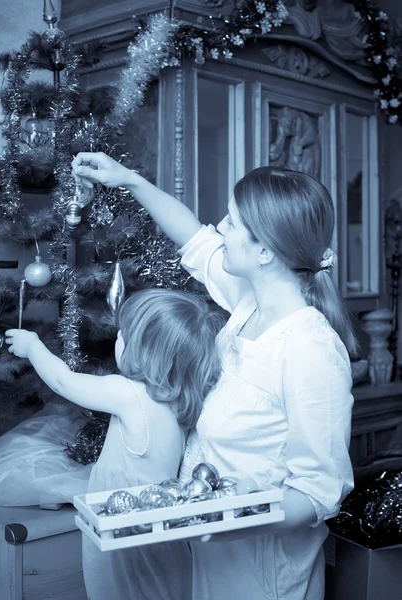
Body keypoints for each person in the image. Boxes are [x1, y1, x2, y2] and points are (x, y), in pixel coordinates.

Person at [71, 151, 356, 600]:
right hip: (209, 559)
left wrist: (236, 517)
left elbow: (318, 490)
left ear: (264, 251)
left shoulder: (309, 351)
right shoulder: (249, 302)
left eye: (233, 222)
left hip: (263, 575)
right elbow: (193, 237)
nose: (220, 227)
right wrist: (127, 178)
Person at [5, 287, 224, 600]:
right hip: (158, 524)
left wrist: (33, 347)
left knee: (117, 590)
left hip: (121, 528)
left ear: (144, 351)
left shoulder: (129, 394)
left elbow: (64, 381)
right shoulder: (180, 399)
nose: (116, 341)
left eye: (123, 336)